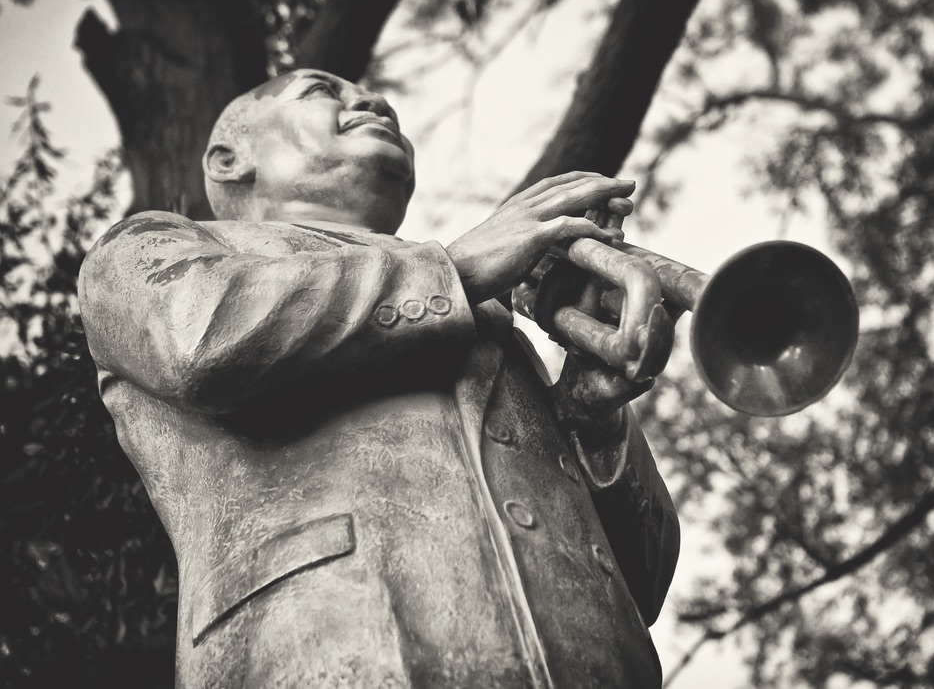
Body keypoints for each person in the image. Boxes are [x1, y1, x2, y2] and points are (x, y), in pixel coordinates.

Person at [78, 69, 680, 688]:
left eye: (371, 96)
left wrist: (595, 418)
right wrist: (459, 266)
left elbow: (648, 583)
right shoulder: (150, 245)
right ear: (230, 160)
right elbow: (201, 338)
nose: (372, 100)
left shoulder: (491, 320)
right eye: (320, 91)